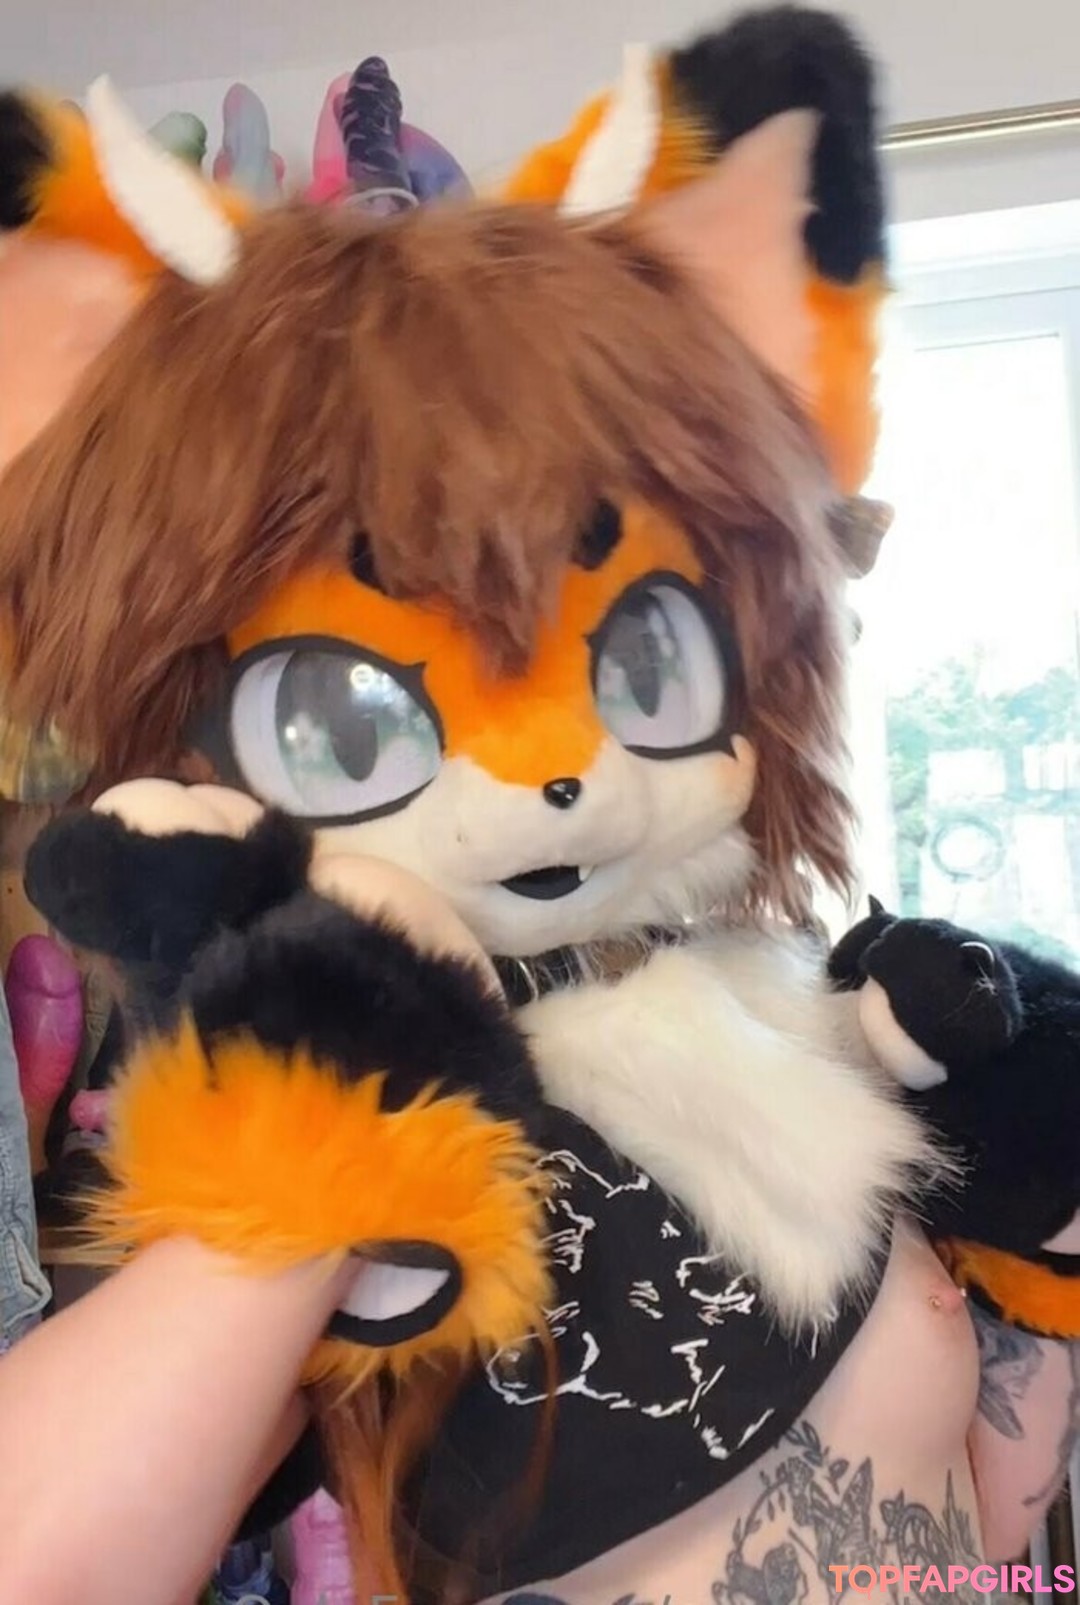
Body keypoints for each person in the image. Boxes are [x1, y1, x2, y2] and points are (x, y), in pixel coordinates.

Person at [1, 10, 1078, 1604]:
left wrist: (1037, 1235)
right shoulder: (329, 1113)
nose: (551, 761)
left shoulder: (785, 1015)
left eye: (636, 653)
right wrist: (325, 1089)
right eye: (352, 707)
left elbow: (968, 1509)